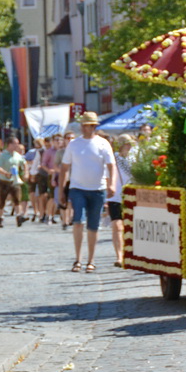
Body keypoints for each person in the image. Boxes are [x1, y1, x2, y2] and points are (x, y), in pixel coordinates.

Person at [58, 113, 116, 273]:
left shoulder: (103, 143)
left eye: (89, 125)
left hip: (98, 189)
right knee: (78, 221)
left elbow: (111, 165)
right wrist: (62, 190)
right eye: (83, 125)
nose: (85, 128)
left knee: (93, 225)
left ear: (94, 126)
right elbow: (64, 168)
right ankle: (78, 259)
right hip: (77, 188)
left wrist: (111, 184)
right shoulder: (74, 144)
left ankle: (91, 260)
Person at [107, 134, 136, 266]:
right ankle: (120, 256)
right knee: (117, 226)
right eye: (126, 144)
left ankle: (131, 253)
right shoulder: (113, 159)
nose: (129, 146)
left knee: (130, 227)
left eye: (130, 144)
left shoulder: (134, 159)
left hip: (132, 195)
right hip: (116, 196)